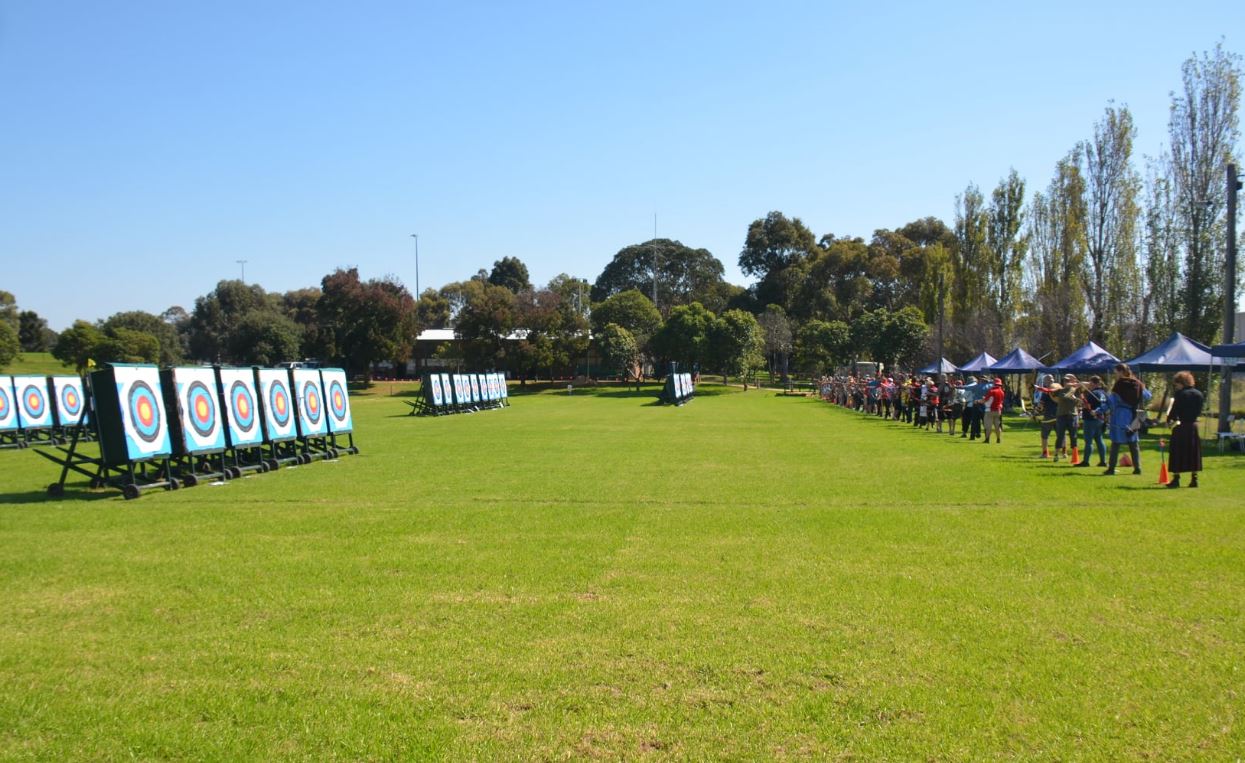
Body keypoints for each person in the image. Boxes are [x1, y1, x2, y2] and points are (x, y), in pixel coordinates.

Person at [1104, 363, 1151, 476]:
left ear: (1121, 372)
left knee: (1116, 443)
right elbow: (1148, 396)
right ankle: (1137, 468)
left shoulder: (1119, 384)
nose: (1116, 375)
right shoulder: (1137, 383)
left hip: (1120, 415)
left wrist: (1099, 410)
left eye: (1116, 373)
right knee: (1133, 443)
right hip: (1135, 415)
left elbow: (1111, 401)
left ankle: (1111, 468)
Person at [1165, 370, 1204, 488]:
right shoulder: (1199, 394)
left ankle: (1176, 479)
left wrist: (1169, 421)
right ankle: (1194, 479)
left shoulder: (1180, 394)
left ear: (1181, 383)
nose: (1176, 387)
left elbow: (1174, 410)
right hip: (1193, 425)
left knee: (1177, 452)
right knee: (1193, 452)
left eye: (1176, 384)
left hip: (1181, 426)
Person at [1076, 375, 1108, 468]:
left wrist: (1082, 403)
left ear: (1094, 383)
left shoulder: (1093, 393)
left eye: (1090, 383)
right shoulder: (1103, 392)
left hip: (1090, 419)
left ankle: (1086, 461)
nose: (1089, 385)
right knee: (1099, 439)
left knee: (1088, 441)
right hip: (1100, 418)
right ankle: (1103, 461)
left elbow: (1087, 405)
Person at [1052, 373, 1080, 462]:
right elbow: (1052, 393)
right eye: (1064, 381)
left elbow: (1079, 401)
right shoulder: (1060, 391)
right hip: (1061, 416)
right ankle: (1056, 454)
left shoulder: (1075, 390)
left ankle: (1075, 456)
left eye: (1068, 380)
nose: (1066, 382)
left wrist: (1077, 384)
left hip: (1072, 415)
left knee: (1073, 436)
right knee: (1060, 436)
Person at [1033, 374, 1058, 458]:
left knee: (1044, 435)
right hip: (1059, 416)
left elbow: (1041, 405)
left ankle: (1045, 453)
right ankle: (1064, 453)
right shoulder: (1059, 390)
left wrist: (1036, 411)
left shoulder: (1046, 392)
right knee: (1061, 435)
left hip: (1049, 416)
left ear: (1046, 382)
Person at [982, 377, 1005, 443]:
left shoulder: (991, 391)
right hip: (998, 410)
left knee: (988, 426)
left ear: (994, 383)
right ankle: (998, 439)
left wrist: (978, 401)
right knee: (997, 426)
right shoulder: (1002, 392)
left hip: (989, 410)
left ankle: (987, 439)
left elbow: (985, 400)